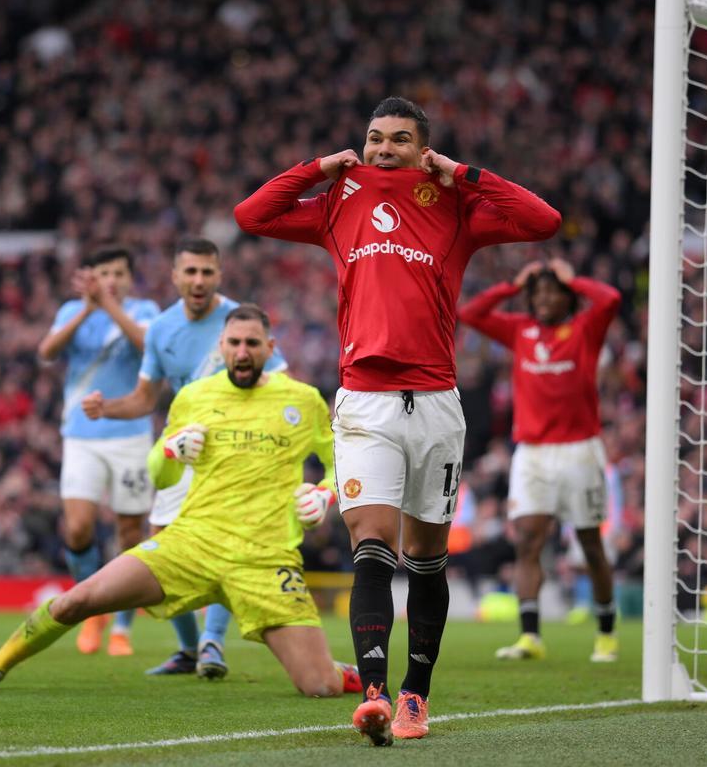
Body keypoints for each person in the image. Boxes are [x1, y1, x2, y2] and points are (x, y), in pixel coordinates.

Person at [235, 96, 560, 745]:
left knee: (427, 560)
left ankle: (417, 693)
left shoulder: (458, 205)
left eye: (400, 139)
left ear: (423, 147)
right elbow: (253, 213)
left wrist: (461, 173)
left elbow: (543, 221)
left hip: (437, 404)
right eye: (375, 138)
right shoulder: (338, 200)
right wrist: (320, 168)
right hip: (365, 402)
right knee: (372, 551)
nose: (384, 149)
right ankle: (377, 696)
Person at [0, 305, 362, 699]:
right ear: (220, 346)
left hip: (265, 558)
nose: (242, 352)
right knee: (78, 599)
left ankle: (334, 670)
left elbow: (340, 463)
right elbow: (159, 474)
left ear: (270, 349)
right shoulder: (193, 397)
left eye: (252, 343)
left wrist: (324, 495)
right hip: (190, 545)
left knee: (319, 687)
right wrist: (170, 451)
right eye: (234, 342)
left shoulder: (303, 401)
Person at [81, 237, 287, 679]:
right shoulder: (160, 329)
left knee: (222, 546)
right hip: (180, 447)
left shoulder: (237, 322)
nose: (198, 280)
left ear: (219, 275)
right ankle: (191, 649)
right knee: (161, 545)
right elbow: (144, 398)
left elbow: (280, 377)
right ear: (174, 276)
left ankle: (212, 641)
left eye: (206, 272)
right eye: (189, 272)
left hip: (232, 453)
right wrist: (107, 408)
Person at [458, 258, 622, 663]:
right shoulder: (520, 330)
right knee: (528, 539)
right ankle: (530, 635)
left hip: (579, 450)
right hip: (531, 452)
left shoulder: (585, 329)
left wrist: (575, 278)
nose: (545, 298)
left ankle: (606, 632)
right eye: (539, 292)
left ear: (568, 296)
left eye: (553, 291)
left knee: (589, 544)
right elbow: (470, 313)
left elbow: (611, 298)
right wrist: (513, 286)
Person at [36, 245, 160, 657]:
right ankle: (92, 613)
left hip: (129, 433)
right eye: (103, 272)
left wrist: (108, 306)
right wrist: (88, 310)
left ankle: (122, 626)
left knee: (129, 532)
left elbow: (148, 347)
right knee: (77, 528)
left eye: (118, 273)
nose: (111, 280)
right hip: (82, 432)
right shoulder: (75, 310)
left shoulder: (145, 310)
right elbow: (47, 352)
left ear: (129, 279)